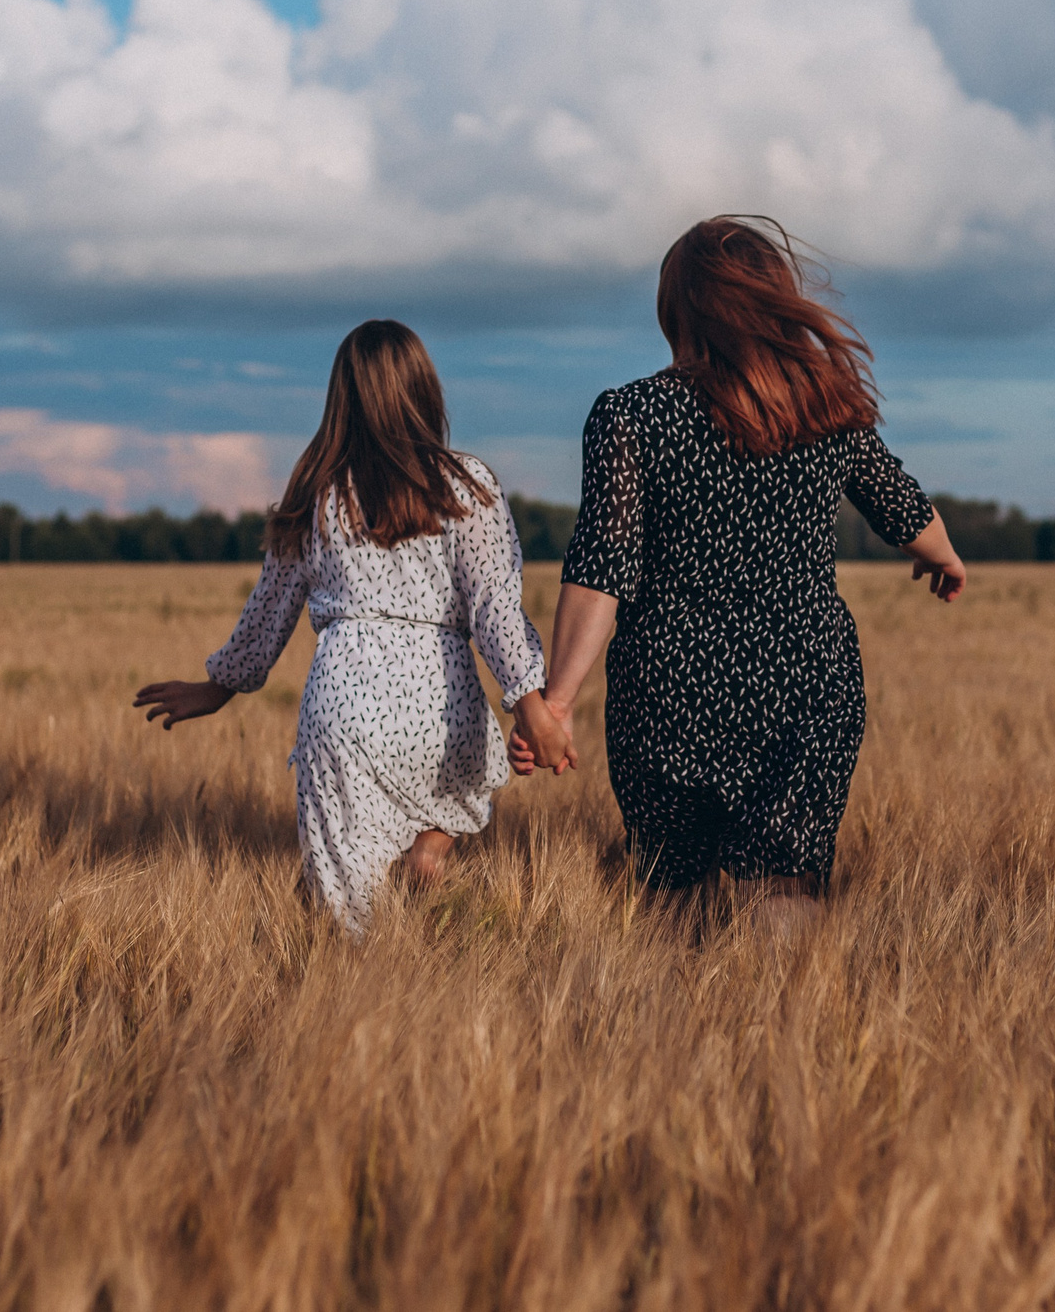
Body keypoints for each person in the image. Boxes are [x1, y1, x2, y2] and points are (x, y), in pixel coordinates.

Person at [508, 217, 966, 936]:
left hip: (668, 688)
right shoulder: (826, 403)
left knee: (670, 892)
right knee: (784, 884)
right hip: (804, 683)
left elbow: (603, 563)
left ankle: (665, 1046)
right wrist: (942, 557)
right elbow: (903, 507)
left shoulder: (631, 414)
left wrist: (557, 699)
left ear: (676, 310)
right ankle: (787, 1041)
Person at [136, 319, 572, 934]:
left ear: (341, 399)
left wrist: (217, 688)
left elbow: (270, 609)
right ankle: (430, 850)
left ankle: (354, 1002)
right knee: (461, 786)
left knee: (349, 915)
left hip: (344, 708)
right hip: (442, 710)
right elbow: (495, 609)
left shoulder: (317, 493)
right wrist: (532, 707)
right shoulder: (470, 485)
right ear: (427, 391)